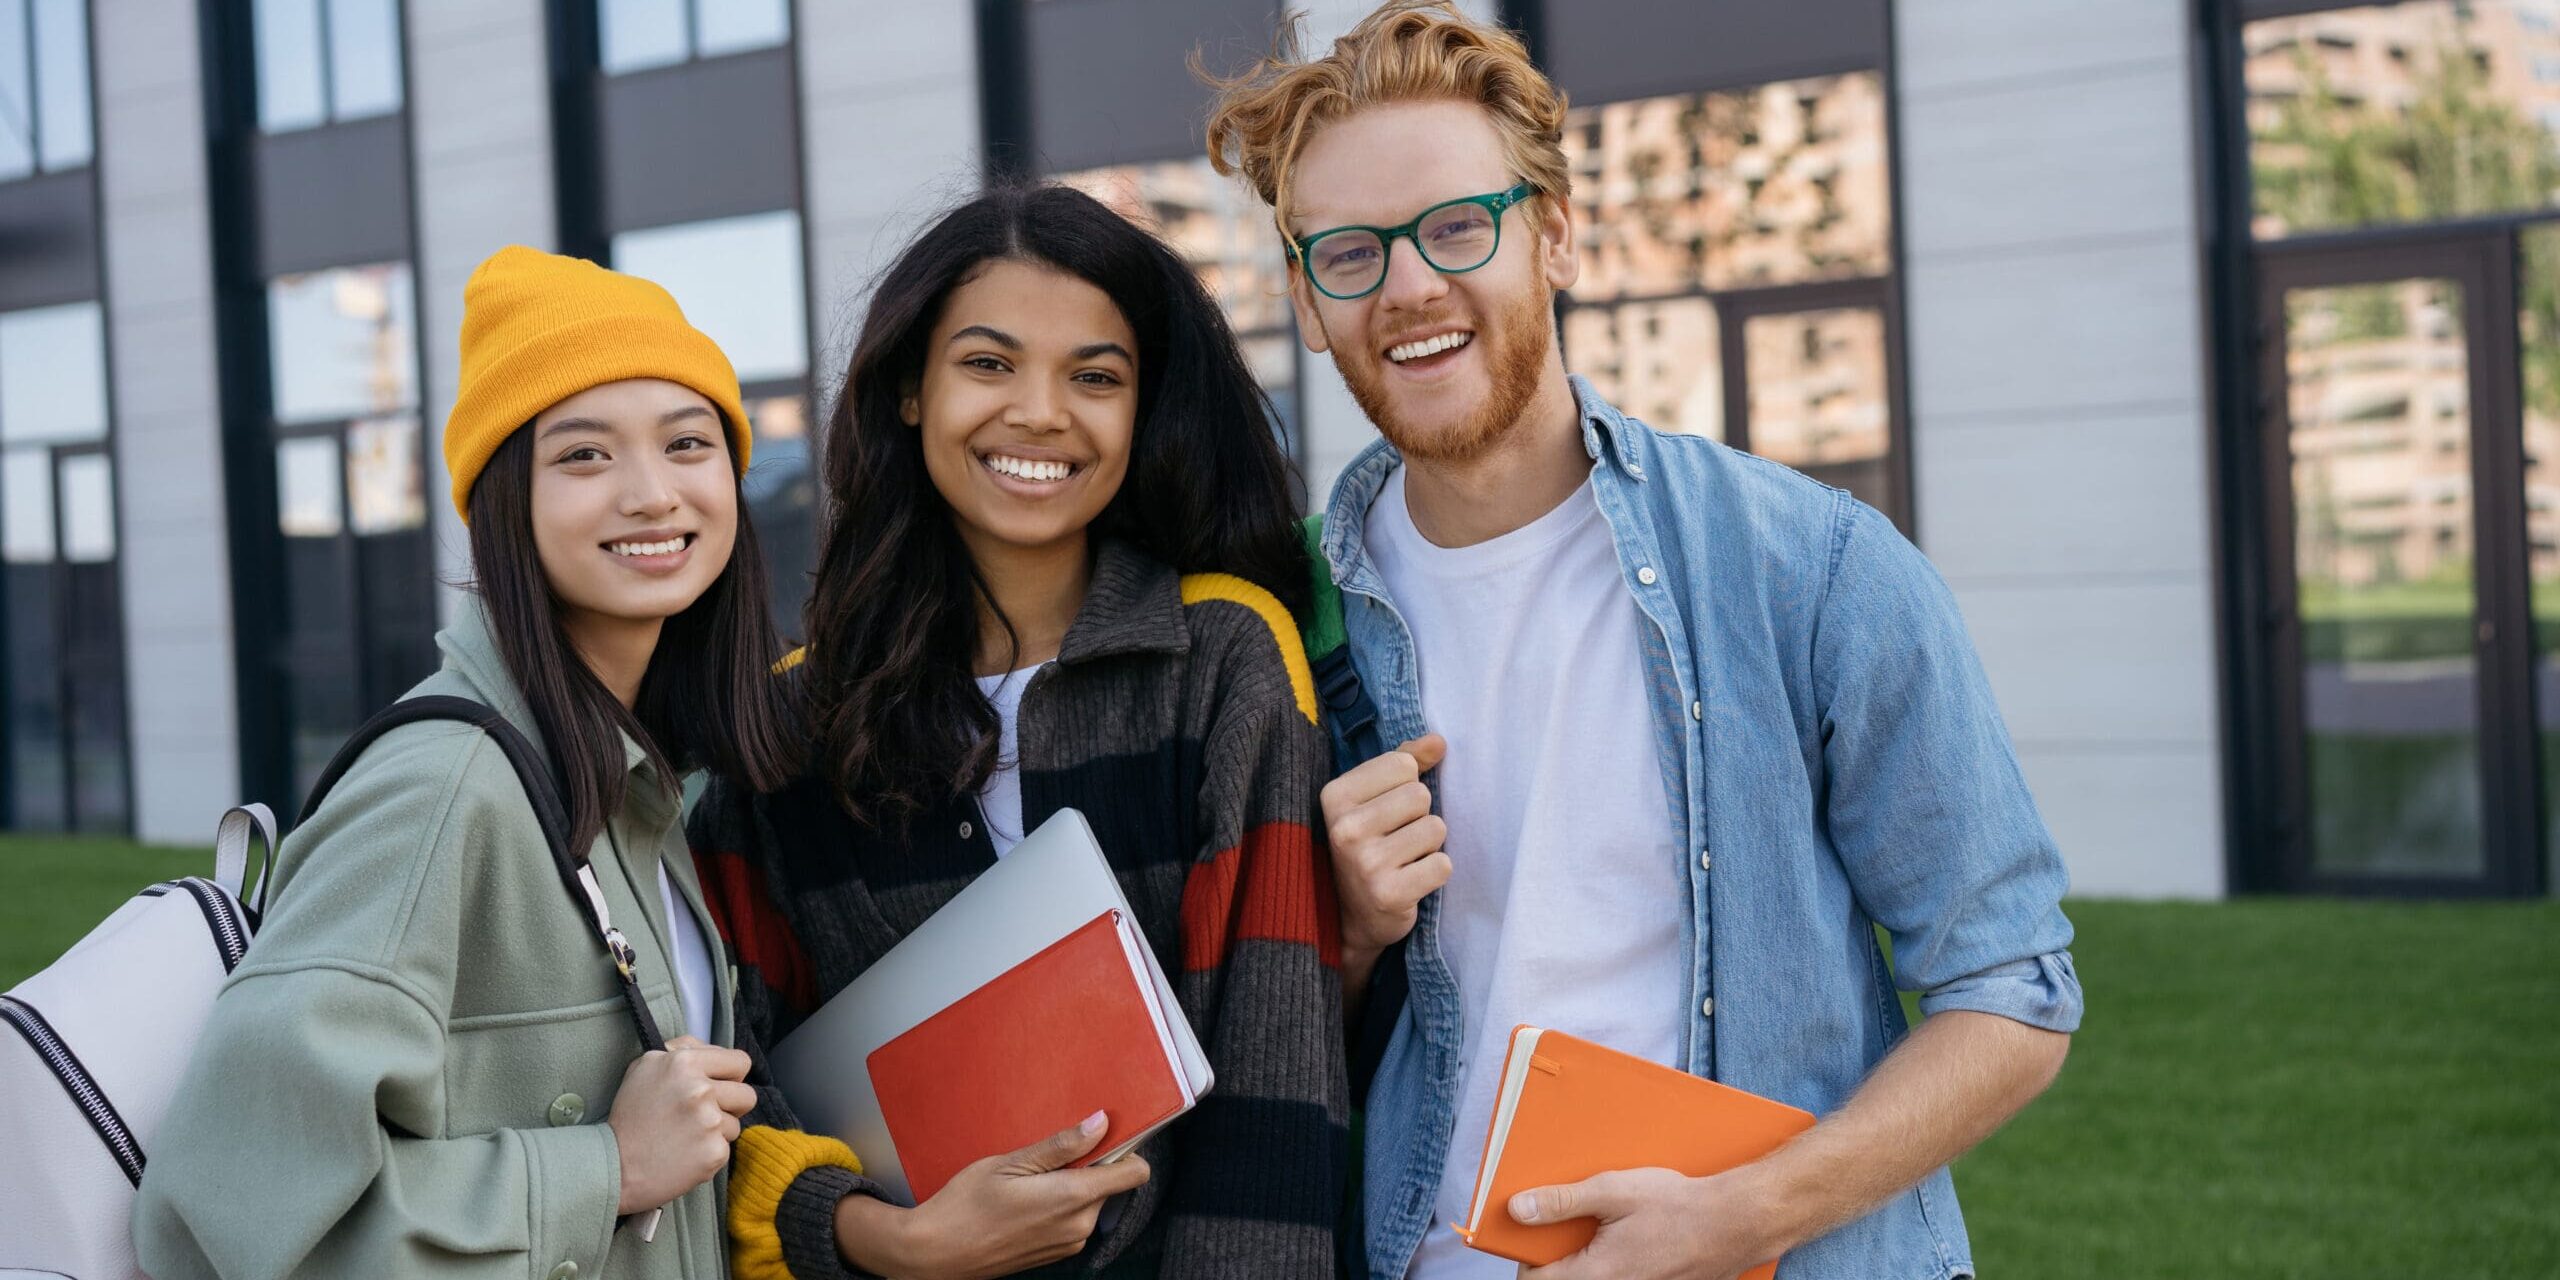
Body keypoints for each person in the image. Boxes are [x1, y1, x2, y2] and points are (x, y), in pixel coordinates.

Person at [1203, 5, 2084, 1279]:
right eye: (1350, 252)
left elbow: (2014, 991)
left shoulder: (1810, 567)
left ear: (1553, 232)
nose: (1408, 288)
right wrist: (1337, 941)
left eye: (1457, 227)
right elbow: (1253, 1066)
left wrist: (1754, 1212)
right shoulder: (1277, 621)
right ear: (1304, 292)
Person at [691, 183, 1347, 1280]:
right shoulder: (789, 729)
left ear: (1144, 409)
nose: (1040, 412)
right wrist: (876, 1237)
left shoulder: (1224, 655)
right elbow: (734, 1080)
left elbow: (1278, 1068)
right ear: (911, 388)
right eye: (988, 364)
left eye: (1095, 376)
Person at [132, 246, 801, 1279]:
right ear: (505, 499)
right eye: (583, 456)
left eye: (688, 442)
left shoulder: (628, 777)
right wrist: (608, 1166)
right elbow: (227, 1221)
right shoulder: (443, 789)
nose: (651, 492)